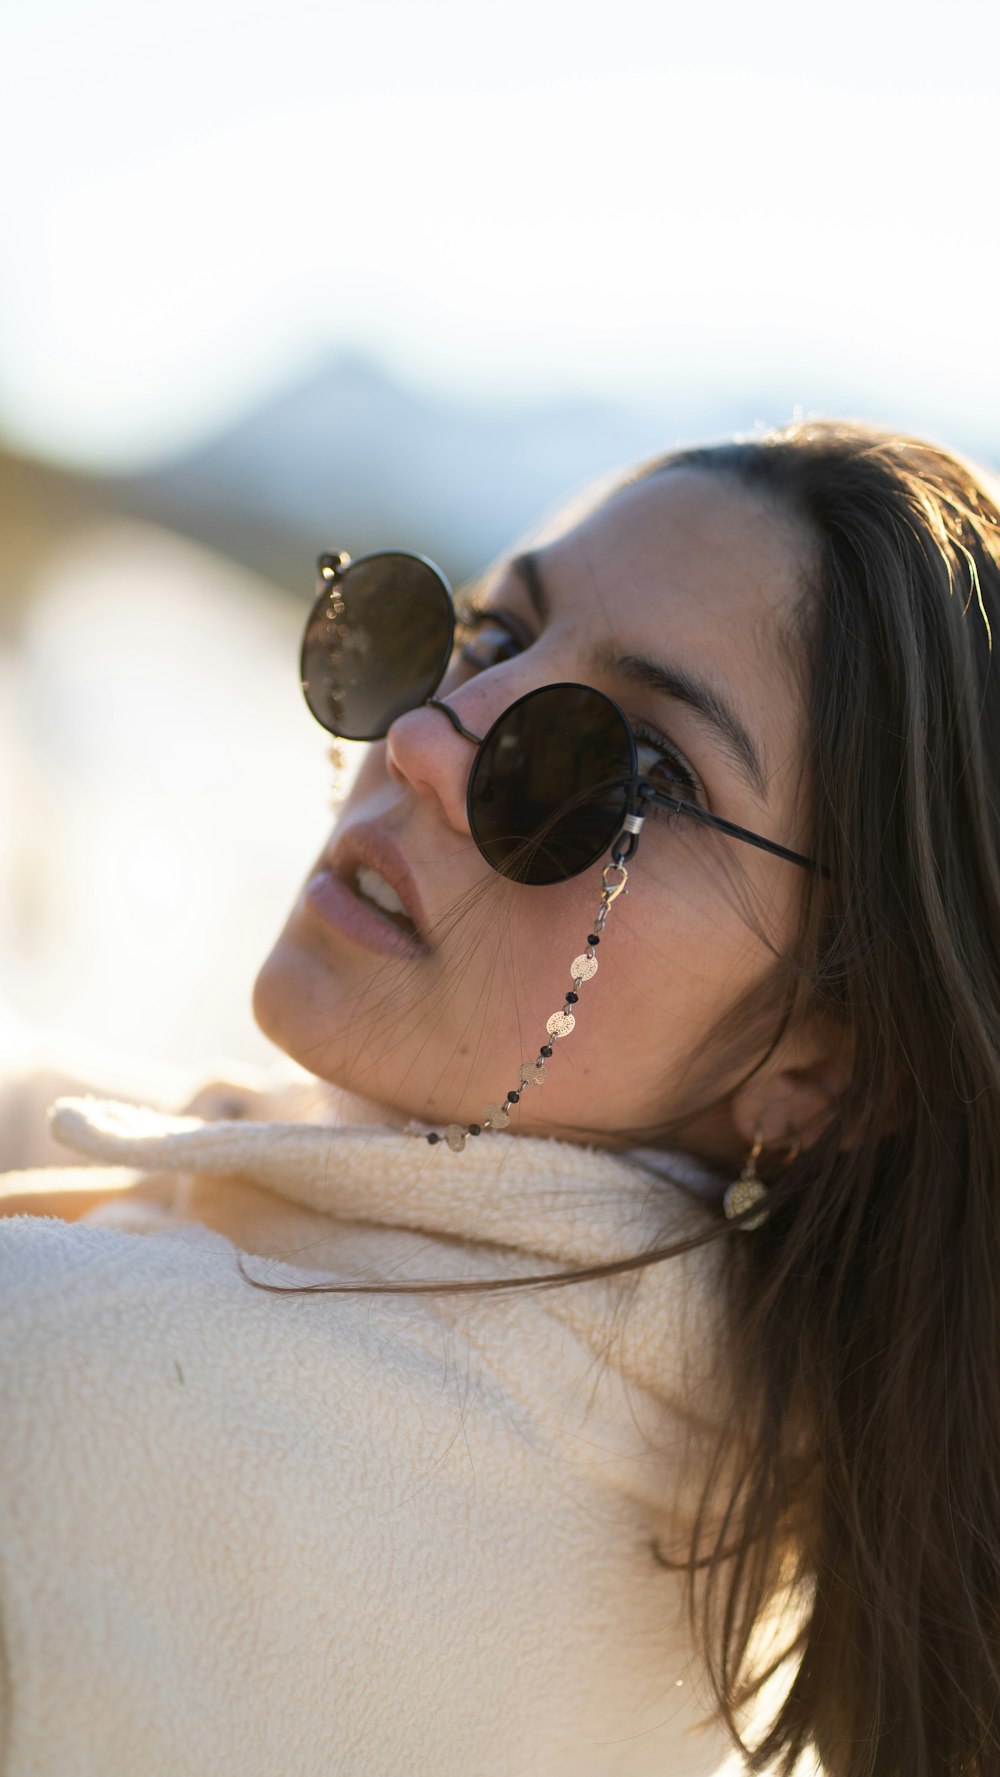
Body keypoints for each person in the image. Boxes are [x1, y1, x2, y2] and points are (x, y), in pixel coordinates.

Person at [2, 416, 998, 1777]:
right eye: (483, 641)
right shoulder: (722, 1499)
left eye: (629, 768)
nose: (424, 737)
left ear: (823, 1062)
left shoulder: (64, 1399)